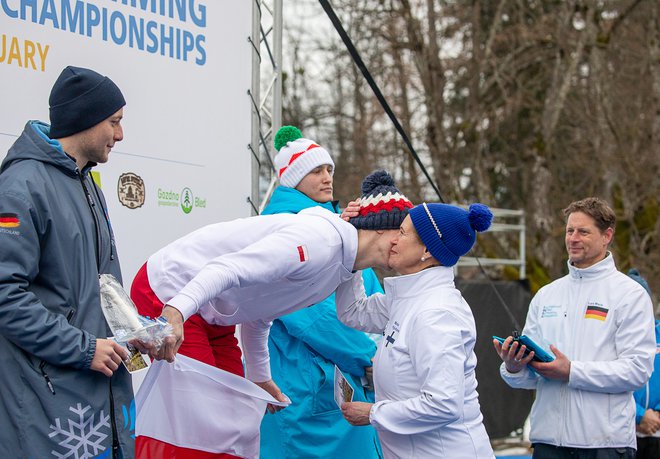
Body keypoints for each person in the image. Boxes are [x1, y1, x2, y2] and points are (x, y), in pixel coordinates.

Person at [132, 168, 413, 409]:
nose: (407, 244)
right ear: (380, 228)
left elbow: (263, 311)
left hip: (209, 311)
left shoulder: (347, 266)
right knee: (199, 419)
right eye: (402, 233)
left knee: (232, 414)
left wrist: (259, 376)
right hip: (172, 290)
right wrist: (176, 310)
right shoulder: (318, 243)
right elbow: (228, 269)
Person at [0, 66, 134, 457]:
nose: (120, 135)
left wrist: (133, 331)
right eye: (114, 122)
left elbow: (99, 287)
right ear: (85, 119)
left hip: (96, 395)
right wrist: (82, 348)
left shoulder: (87, 182)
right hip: (47, 399)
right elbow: (5, 294)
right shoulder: (21, 185)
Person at [493, 197, 655, 459]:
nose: (573, 238)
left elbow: (637, 370)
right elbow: (532, 375)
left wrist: (572, 371)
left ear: (607, 236)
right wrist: (514, 366)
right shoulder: (546, 295)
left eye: (583, 231)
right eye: (570, 231)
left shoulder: (630, 295)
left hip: (604, 444)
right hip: (548, 443)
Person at [260, 126, 385, 458]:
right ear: (293, 179)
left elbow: (366, 296)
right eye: (316, 170)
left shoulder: (334, 226)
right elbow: (309, 314)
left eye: (329, 168)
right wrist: (368, 355)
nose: (327, 177)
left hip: (340, 382)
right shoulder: (283, 228)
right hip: (307, 387)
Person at [337, 201, 496, 458]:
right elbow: (353, 311)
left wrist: (373, 413)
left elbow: (443, 404)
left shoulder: (436, 314)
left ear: (426, 250)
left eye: (402, 232)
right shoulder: (409, 299)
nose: (392, 241)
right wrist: (353, 250)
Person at [628, 268, 660, 459]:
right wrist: (639, 415)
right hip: (623, 431)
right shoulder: (610, 337)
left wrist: (656, 416)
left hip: (657, 431)